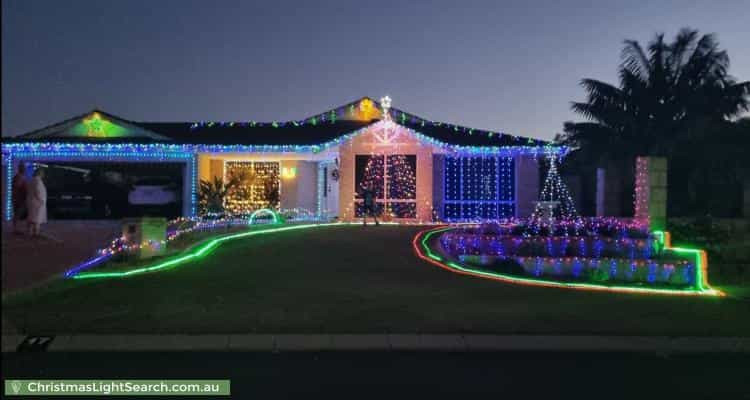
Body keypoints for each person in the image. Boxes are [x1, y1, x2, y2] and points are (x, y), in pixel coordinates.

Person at [26, 168, 47, 237]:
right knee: (37, 218)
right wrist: (41, 200)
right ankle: (36, 233)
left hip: (31, 201)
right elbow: (38, 191)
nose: (43, 174)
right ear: (40, 173)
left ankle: (30, 232)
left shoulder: (32, 180)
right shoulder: (38, 181)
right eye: (42, 173)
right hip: (37, 203)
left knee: (31, 218)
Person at [11, 162, 28, 234]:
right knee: (18, 213)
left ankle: (16, 228)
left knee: (17, 213)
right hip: (19, 199)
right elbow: (18, 186)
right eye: (23, 168)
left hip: (17, 198)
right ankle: (16, 229)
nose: (24, 169)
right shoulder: (19, 177)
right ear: (21, 169)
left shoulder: (18, 177)